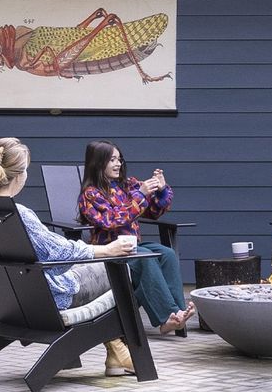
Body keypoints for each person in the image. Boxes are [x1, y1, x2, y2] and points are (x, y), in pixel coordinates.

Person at [0, 136, 140, 376]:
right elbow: (60, 252)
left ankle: (114, 353)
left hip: (17, 300)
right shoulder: (19, 213)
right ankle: (123, 353)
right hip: (52, 299)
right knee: (119, 269)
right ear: (21, 173)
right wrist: (107, 250)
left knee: (103, 269)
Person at [78, 139, 192, 336]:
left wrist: (161, 189)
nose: (118, 163)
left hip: (133, 247)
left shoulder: (127, 185)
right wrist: (140, 195)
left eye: (119, 159)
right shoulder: (91, 194)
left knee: (166, 254)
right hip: (109, 251)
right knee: (145, 256)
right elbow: (111, 221)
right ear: (98, 162)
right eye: (111, 159)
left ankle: (178, 313)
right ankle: (167, 318)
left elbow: (153, 211)